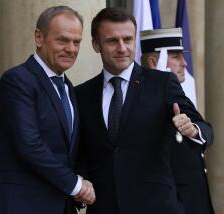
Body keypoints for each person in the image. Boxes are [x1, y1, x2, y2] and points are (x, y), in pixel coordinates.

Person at [75, 8, 213, 214]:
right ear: (96, 45)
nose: (122, 48)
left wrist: (193, 129)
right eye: (113, 41)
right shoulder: (81, 94)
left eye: (128, 39)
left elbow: (204, 128)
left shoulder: (162, 83)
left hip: (157, 207)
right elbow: (81, 152)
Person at [0, 6, 95, 214]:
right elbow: (29, 145)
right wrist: (77, 185)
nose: (71, 49)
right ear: (38, 37)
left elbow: (68, 151)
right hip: (20, 205)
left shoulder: (67, 87)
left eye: (76, 42)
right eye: (62, 40)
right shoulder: (17, 80)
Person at [140, 27, 215, 214]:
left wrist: (194, 130)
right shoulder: (140, 98)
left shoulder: (175, 94)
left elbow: (205, 129)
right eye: (176, 57)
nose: (184, 63)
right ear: (153, 62)